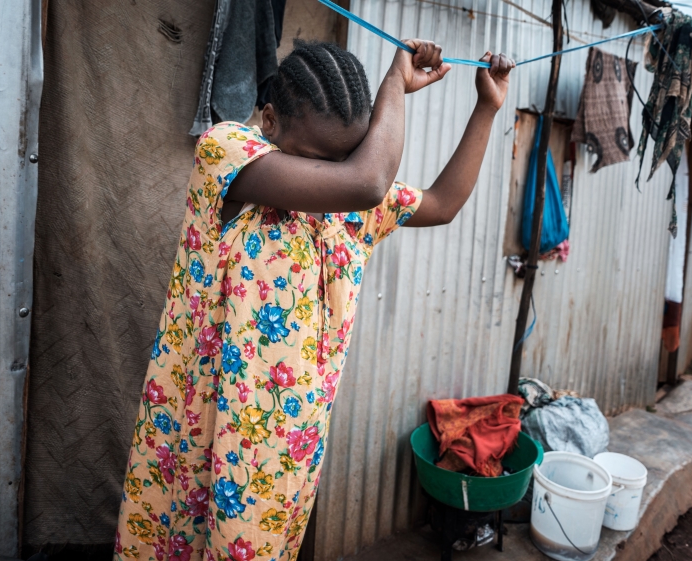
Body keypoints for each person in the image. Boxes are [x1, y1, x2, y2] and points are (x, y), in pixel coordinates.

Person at [115, 38, 513, 561]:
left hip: (282, 447)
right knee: (172, 542)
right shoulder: (226, 153)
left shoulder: (350, 212)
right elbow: (366, 181)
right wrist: (394, 85)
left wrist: (487, 108)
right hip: (192, 422)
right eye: (317, 158)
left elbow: (440, 204)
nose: (332, 173)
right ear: (271, 121)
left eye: (345, 155)